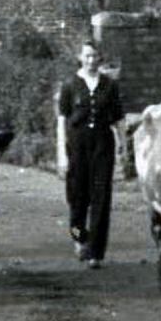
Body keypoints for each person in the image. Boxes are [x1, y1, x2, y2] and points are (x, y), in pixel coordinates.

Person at [56, 41, 125, 269]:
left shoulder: (109, 85)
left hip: (102, 146)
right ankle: (78, 237)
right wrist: (61, 155)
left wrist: (122, 144)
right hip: (77, 145)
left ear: (100, 58)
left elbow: (118, 118)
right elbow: (62, 121)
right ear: (80, 57)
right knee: (77, 197)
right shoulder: (70, 85)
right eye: (87, 56)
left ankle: (95, 251)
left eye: (95, 56)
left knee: (101, 198)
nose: (91, 60)